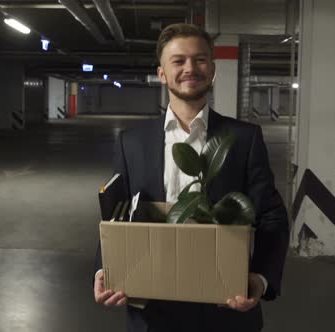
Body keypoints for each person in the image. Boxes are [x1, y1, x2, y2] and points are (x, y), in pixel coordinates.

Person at [93, 23, 289, 332]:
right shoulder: (131, 142)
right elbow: (116, 215)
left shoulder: (243, 138)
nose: (190, 68)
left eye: (199, 60)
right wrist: (104, 271)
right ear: (162, 73)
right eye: (178, 60)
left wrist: (260, 279)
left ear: (212, 70)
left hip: (223, 306)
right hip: (151, 309)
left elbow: (272, 216)